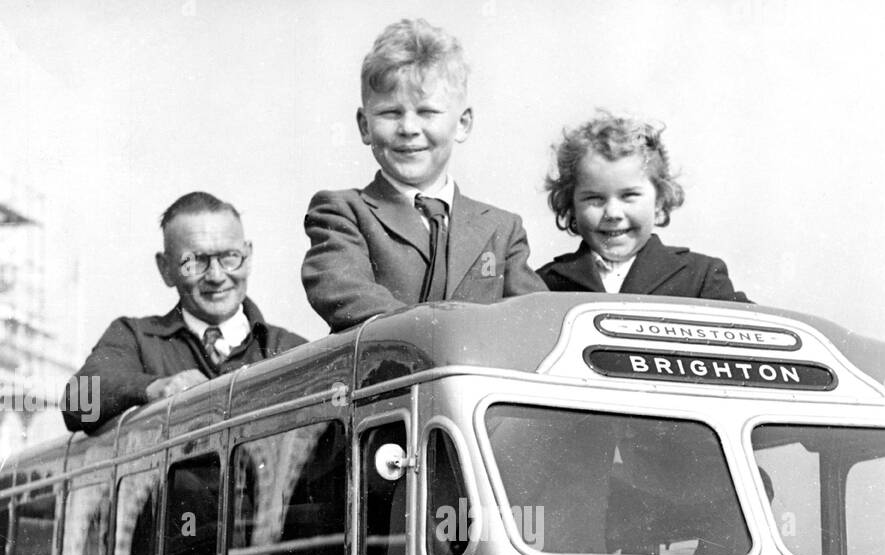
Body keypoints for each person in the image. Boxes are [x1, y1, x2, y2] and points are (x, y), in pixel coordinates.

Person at [301, 18, 546, 334]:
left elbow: (537, 320)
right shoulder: (342, 212)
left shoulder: (502, 229)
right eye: (390, 113)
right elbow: (342, 292)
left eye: (428, 112)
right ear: (364, 125)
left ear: (463, 124)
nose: (409, 129)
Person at [61, 191, 306, 433]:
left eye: (230, 257)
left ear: (248, 256)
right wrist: (155, 388)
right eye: (194, 262)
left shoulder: (291, 349)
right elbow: (77, 402)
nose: (216, 276)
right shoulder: (135, 338)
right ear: (166, 268)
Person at [537, 113, 748, 301]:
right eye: (595, 198)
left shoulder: (701, 276)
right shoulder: (544, 284)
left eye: (629, 196)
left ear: (659, 201)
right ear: (571, 205)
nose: (612, 213)